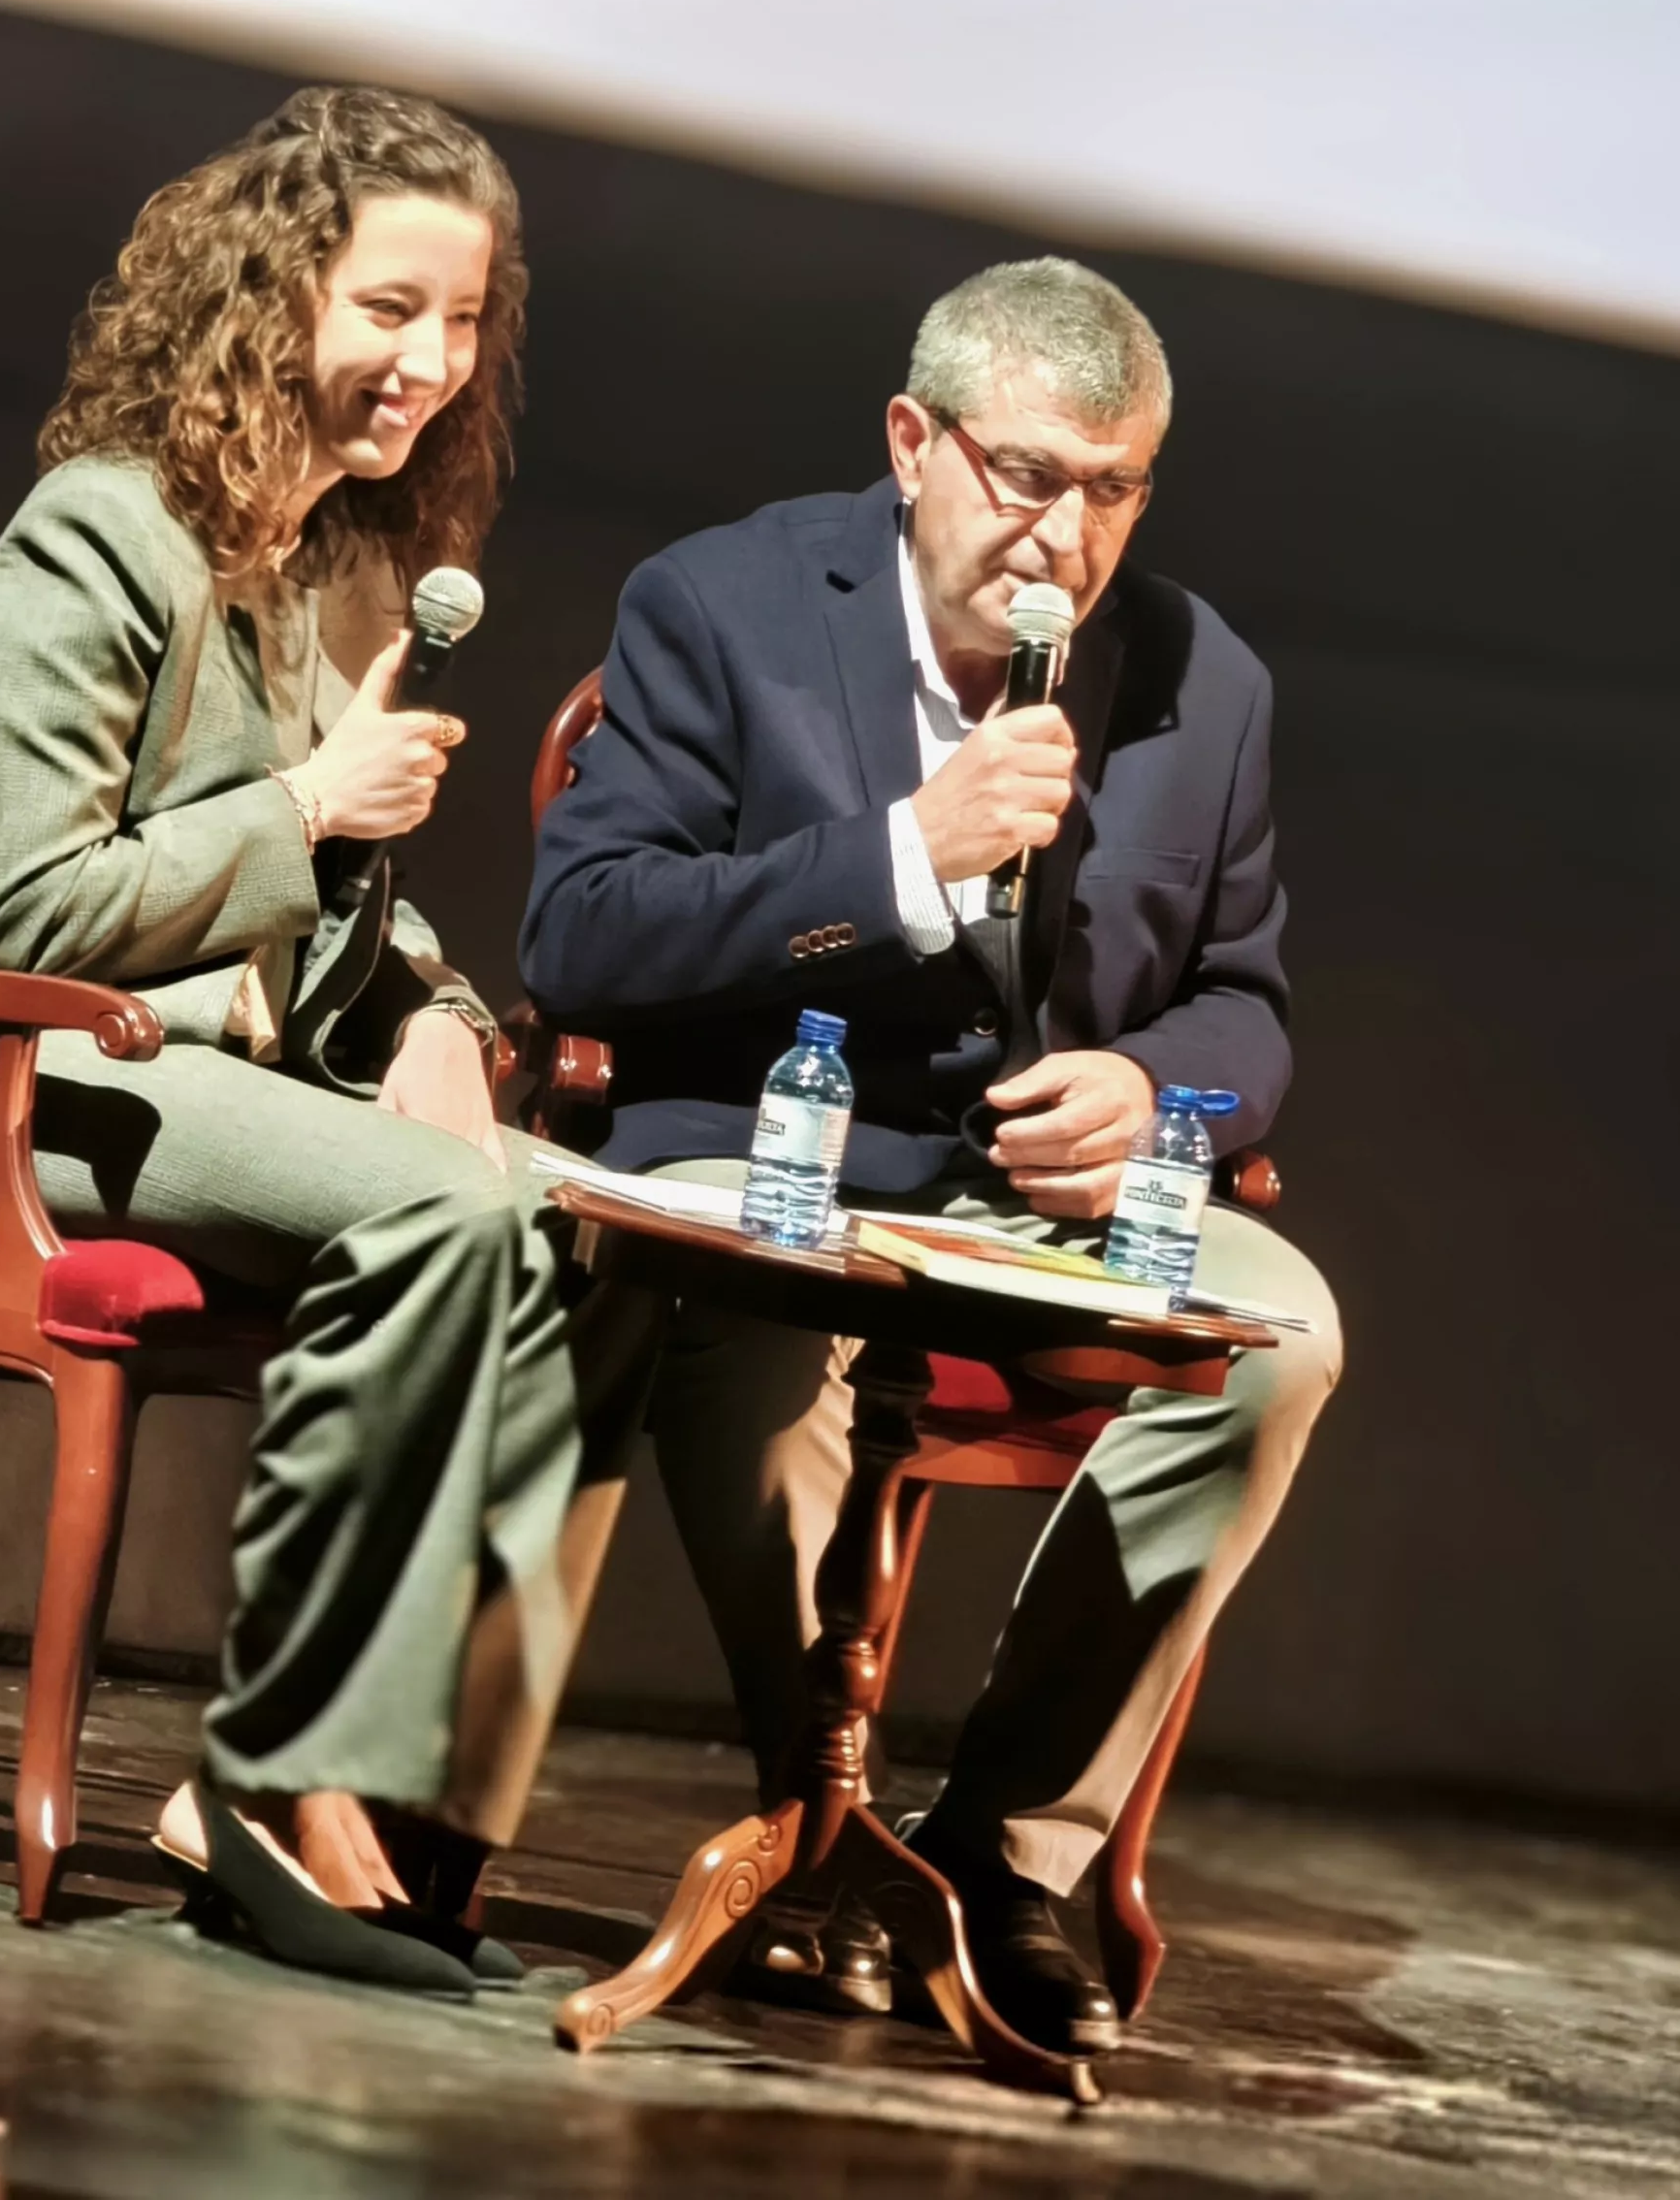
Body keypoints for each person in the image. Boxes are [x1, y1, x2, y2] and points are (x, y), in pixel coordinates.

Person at [0, 86, 647, 1995]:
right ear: (272, 297)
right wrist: (315, 811)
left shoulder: (331, 561)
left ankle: (413, 1807)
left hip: (164, 1064)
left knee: (583, 1228)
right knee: (437, 1220)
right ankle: (266, 1781)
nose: (429, 365)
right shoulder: (100, 536)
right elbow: (22, 915)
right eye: (386, 309)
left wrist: (426, 1008)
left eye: (464, 324)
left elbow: (318, 912)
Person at [518, 258, 1344, 2054]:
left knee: (1287, 1343)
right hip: (770, 1152)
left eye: (1112, 490)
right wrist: (902, 854)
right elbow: (581, 935)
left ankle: (1004, 1848)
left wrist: (1153, 1095)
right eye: (1027, 476)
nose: (1066, 533)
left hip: (1039, 1194)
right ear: (914, 441)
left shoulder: (1206, 684)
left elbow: (1247, 1008)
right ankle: (812, 1814)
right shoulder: (721, 601)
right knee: (750, 1330)